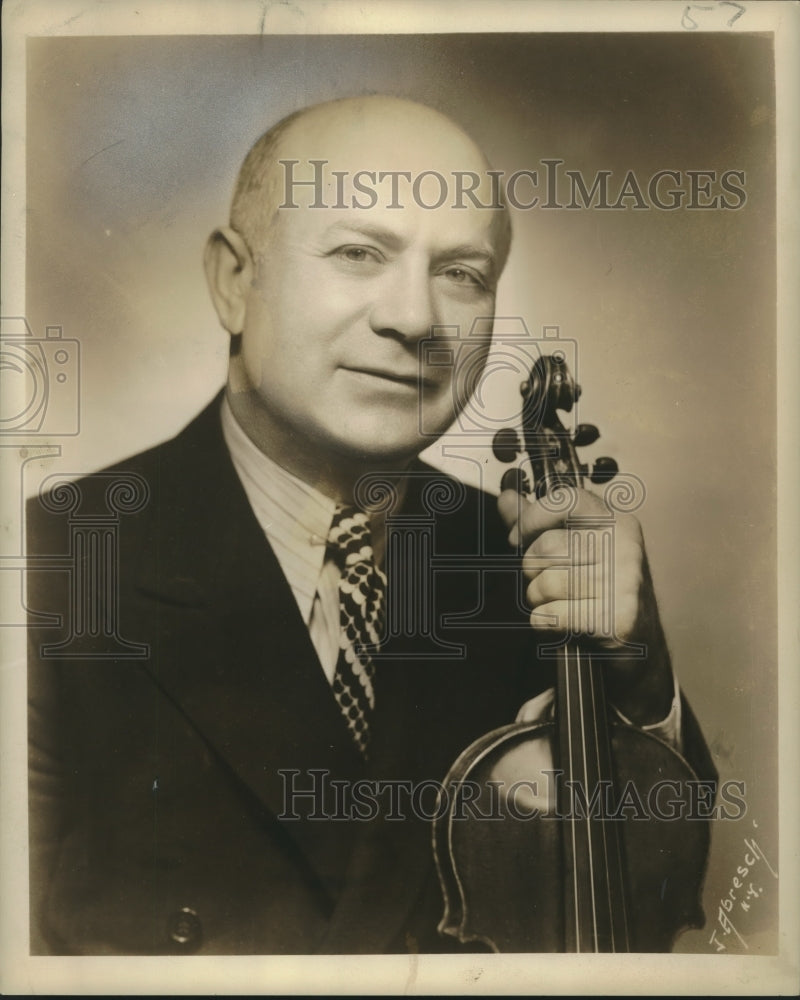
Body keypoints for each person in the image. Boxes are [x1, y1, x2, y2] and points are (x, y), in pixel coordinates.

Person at [27, 96, 716, 955]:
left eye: (462, 273)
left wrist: (639, 680)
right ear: (234, 282)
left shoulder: (520, 558)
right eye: (359, 253)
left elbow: (641, 922)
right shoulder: (48, 566)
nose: (416, 320)